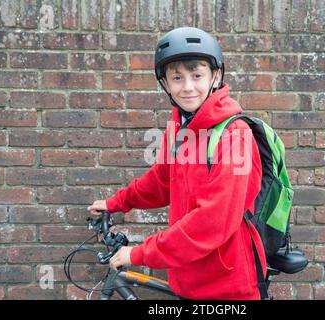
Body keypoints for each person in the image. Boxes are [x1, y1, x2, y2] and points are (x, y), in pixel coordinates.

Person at [87, 27, 266, 300]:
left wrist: (140, 252)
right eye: (177, 77)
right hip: (189, 278)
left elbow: (212, 222)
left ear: (215, 76)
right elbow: (161, 180)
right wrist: (117, 202)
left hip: (227, 288)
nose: (188, 87)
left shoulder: (235, 136)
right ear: (166, 83)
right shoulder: (181, 129)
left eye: (197, 75)